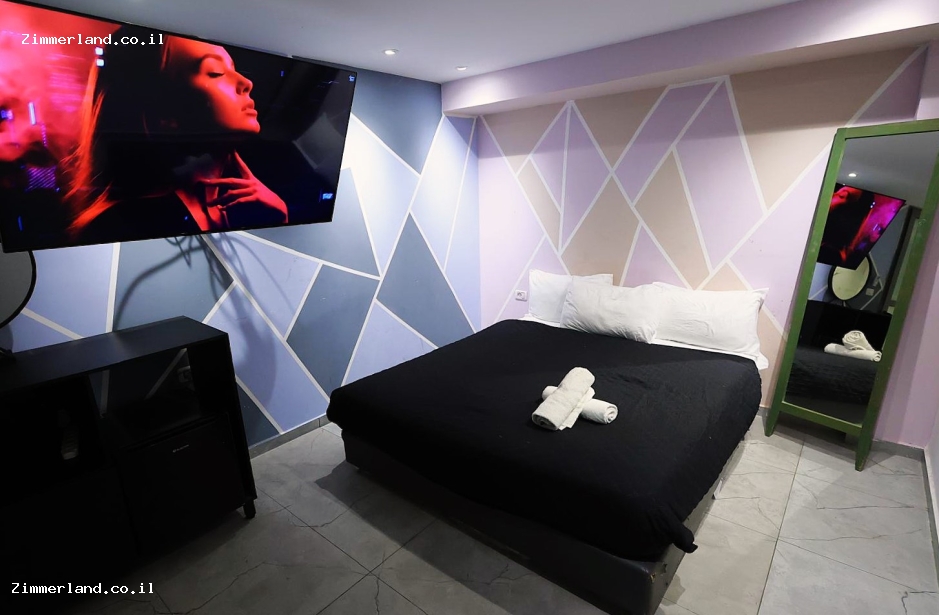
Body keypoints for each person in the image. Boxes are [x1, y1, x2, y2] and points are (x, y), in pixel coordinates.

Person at [67, 26, 287, 244]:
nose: (246, 83)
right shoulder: (121, 226)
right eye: (215, 72)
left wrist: (278, 219)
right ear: (160, 111)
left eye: (233, 68)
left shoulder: (240, 207)